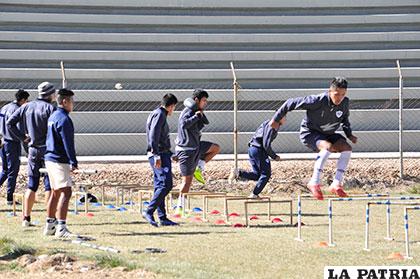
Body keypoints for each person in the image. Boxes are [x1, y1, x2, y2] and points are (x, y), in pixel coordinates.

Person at [271, 77, 357, 200]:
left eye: (343, 94)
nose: (339, 98)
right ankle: (314, 182)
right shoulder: (317, 100)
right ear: (330, 91)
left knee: (347, 148)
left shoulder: (344, 102)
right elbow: (290, 102)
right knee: (327, 147)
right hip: (310, 133)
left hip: (328, 134)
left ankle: (336, 184)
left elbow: (345, 120)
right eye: (337, 94)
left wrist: (349, 135)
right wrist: (276, 119)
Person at [7, 82, 56, 227]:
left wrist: (22, 137)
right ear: (50, 94)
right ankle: (50, 219)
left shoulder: (26, 106)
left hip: (32, 149)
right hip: (47, 149)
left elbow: (10, 123)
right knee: (49, 185)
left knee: (32, 184)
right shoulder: (50, 108)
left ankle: (26, 218)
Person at [174, 89, 220, 215]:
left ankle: (199, 167)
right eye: (204, 101)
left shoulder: (196, 111)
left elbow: (197, 127)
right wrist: (196, 116)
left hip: (196, 147)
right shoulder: (188, 112)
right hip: (187, 150)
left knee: (215, 148)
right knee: (187, 181)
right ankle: (179, 207)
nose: (205, 103)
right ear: (196, 100)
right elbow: (184, 124)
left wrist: (200, 117)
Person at [43, 88, 78, 238]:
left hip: (49, 158)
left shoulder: (53, 116)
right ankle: (61, 227)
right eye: (72, 101)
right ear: (65, 101)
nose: (73, 104)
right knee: (66, 191)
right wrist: (73, 161)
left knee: (55, 192)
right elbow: (68, 143)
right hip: (59, 159)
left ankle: (50, 225)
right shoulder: (64, 119)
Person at [143, 93, 179, 227]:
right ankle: (149, 211)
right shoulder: (160, 114)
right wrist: (157, 155)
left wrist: (170, 154)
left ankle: (162, 217)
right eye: (174, 107)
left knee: (159, 186)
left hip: (163, 153)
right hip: (158, 154)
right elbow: (154, 135)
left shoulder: (156, 113)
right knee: (166, 184)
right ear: (171, 106)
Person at [229, 118, 285, 198]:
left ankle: (238, 173)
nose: (285, 119)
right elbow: (266, 144)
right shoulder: (272, 126)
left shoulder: (268, 123)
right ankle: (254, 194)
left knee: (257, 175)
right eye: (284, 117)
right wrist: (274, 156)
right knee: (266, 174)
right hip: (259, 150)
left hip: (252, 148)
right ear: (280, 117)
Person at [0, 89, 30, 205]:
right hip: (12, 143)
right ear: (22, 100)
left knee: (5, 170)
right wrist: (23, 138)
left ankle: (9, 197)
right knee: (13, 171)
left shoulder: (5, 107)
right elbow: (17, 128)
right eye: (26, 100)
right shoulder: (18, 110)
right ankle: (9, 198)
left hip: (3, 142)